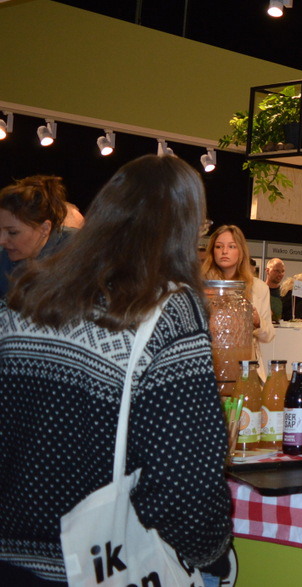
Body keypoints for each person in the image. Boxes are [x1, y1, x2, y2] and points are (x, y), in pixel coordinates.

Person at [0, 155, 231, 585]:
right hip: (98, 564)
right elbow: (185, 474)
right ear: (185, 228)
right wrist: (213, 555)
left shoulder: (27, 294)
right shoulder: (168, 309)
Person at [200, 224, 275, 365]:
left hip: (246, 364)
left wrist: (257, 322)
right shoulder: (201, 286)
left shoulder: (259, 288)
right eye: (219, 246)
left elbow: (269, 335)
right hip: (209, 362)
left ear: (241, 251)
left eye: (231, 246)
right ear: (212, 251)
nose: (224, 251)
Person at [0, 174, 75, 299]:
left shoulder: (79, 251)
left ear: (45, 228)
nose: (1, 240)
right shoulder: (5, 257)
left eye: (13, 232)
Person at [265, 257, 287, 321]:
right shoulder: (260, 290)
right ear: (267, 271)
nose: (280, 274)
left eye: (282, 271)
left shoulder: (284, 293)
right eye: (277, 271)